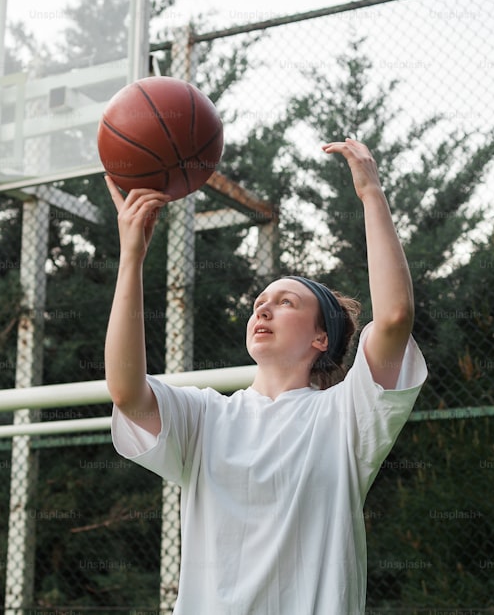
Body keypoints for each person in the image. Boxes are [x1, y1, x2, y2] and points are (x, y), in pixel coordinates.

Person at [104, 139, 427, 614]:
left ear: (321, 338)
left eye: (286, 302)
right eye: (260, 303)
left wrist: (371, 193)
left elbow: (396, 315)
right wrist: (131, 255)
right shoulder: (207, 415)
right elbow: (127, 390)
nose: (263, 308)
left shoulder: (347, 415)